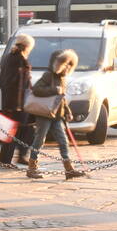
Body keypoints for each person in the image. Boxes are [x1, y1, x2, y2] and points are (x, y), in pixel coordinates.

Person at [25, 49, 87, 180]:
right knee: (39, 140)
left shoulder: (62, 78)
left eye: (70, 65)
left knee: (63, 141)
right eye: (65, 64)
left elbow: (61, 98)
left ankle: (68, 169)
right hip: (45, 114)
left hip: (57, 115)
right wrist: (54, 89)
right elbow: (36, 90)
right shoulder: (48, 75)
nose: (67, 68)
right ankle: (31, 168)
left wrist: (68, 112)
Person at [0, 34, 36, 169]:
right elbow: (16, 83)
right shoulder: (18, 59)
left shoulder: (10, 57)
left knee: (21, 129)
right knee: (16, 131)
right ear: (27, 47)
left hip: (13, 101)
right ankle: (8, 159)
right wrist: (17, 105)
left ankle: (15, 157)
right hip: (16, 102)